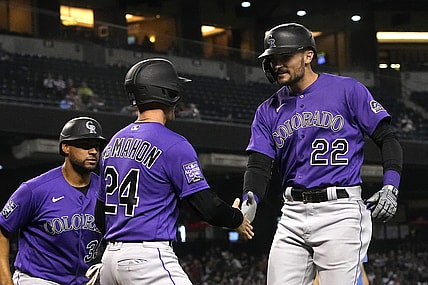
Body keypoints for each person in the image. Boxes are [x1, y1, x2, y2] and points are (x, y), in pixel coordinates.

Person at [240, 23, 403, 284]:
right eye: (272, 59)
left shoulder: (347, 90)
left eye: (285, 57)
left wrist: (391, 187)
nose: (277, 64)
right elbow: (258, 165)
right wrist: (250, 200)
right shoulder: (267, 110)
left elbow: (388, 138)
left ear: (308, 56)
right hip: (292, 212)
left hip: (340, 211)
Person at [95, 58, 254, 285]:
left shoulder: (112, 144)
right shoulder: (174, 144)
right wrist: (236, 218)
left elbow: (100, 217)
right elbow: (207, 207)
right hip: (147, 259)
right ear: (169, 93)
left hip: (109, 261)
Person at [0, 116, 107, 285]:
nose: (93, 151)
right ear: (66, 147)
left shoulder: (105, 190)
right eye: (85, 145)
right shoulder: (34, 189)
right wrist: (5, 280)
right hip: (38, 279)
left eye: (96, 146)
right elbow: (2, 229)